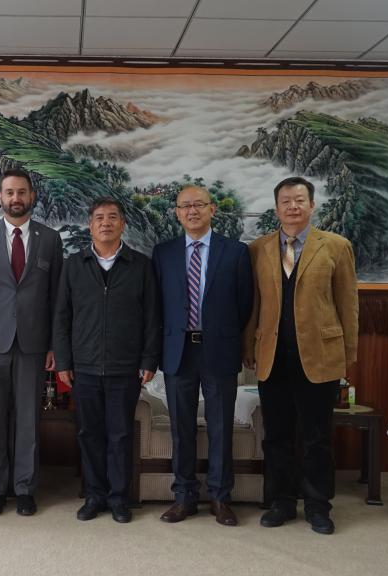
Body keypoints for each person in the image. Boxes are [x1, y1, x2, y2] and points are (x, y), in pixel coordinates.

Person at [243, 176, 358, 535]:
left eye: (299, 200)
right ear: (276, 208)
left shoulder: (336, 246)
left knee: (316, 437)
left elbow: (348, 304)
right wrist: (248, 348)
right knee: (276, 435)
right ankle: (280, 501)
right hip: (272, 355)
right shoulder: (258, 248)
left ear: (312, 205)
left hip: (320, 356)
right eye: (285, 201)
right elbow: (253, 305)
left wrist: (347, 354)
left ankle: (318, 505)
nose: (292, 206)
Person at [53, 197, 160, 524]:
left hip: (125, 367)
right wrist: (63, 362)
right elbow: (61, 316)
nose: (106, 223)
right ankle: (94, 496)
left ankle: (118, 498)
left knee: (120, 434)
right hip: (83, 367)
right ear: (90, 225)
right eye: (99, 217)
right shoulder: (75, 264)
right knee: (89, 434)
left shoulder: (140, 265)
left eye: (113, 217)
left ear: (122, 224)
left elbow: (152, 318)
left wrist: (149, 360)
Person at [151, 186, 252, 526]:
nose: (192, 211)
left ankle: (221, 498)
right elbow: (157, 306)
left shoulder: (236, 252)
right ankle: (184, 497)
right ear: (177, 213)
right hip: (178, 350)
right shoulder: (163, 253)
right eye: (185, 206)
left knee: (220, 426)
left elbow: (244, 303)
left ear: (212, 210)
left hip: (219, 348)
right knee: (181, 428)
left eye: (198, 204)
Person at [0, 169, 63, 517]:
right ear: (0, 197)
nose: (16, 198)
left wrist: (54, 345)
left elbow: (57, 298)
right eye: (9, 192)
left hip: (34, 343)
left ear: (32, 196)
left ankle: (24, 488)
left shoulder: (50, 239)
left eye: (22, 192)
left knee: (28, 419)